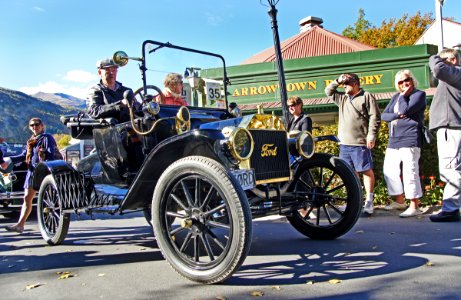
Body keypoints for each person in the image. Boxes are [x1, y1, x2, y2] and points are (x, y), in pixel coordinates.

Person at [325, 73, 381, 214]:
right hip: (344, 143)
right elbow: (328, 91)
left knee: (366, 170)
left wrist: (371, 135)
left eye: (347, 83)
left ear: (356, 83)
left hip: (360, 143)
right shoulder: (342, 98)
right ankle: (355, 201)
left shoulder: (366, 96)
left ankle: (369, 201)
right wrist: (337, 80)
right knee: (349, 173)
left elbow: (375, 117)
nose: (344, 86)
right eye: (343, 84)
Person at [0, 118, 58, 233]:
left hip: (43, 172)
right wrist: (8, 161)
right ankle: (20, 225)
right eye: (32, 125)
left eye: (37, 125)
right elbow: (23, 156)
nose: (34, 127)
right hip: (32, 172)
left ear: (42, 125)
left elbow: (52, 154)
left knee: (47, 199)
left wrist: (47, 168)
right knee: (27, 199)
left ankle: (52, 227)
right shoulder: (31, 140)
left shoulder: (46, 138)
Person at [381, 70, 426, 217]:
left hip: (410, 138)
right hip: (394, 139)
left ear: (412, 80)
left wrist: (405, 96)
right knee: (389, 170)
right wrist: (396, 115)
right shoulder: (395, 97)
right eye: (400, 82)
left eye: (407, 80)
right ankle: (400, 201)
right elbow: (384, 115)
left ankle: (414, 205)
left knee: (410, 172)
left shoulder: (418, 95)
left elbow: (406, 109)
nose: (404, 84)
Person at [428, 48, 461, 222]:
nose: (440, 62)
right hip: (453, 126)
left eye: (444, 60)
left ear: (453, 60)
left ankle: (450, 209)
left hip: (452, 127)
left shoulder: (456, 72)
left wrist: (433, 56)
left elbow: (438, 69)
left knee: (451, 169)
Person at [87, 58, 133, 122]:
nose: (112, 73)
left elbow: (137, 110)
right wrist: (119, 105)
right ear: (100, 72)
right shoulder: (95, 91)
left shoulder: (127, 91)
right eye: (107, 70)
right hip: (109, 129)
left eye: (114, 70)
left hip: (130, 128)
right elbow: (93, 111)